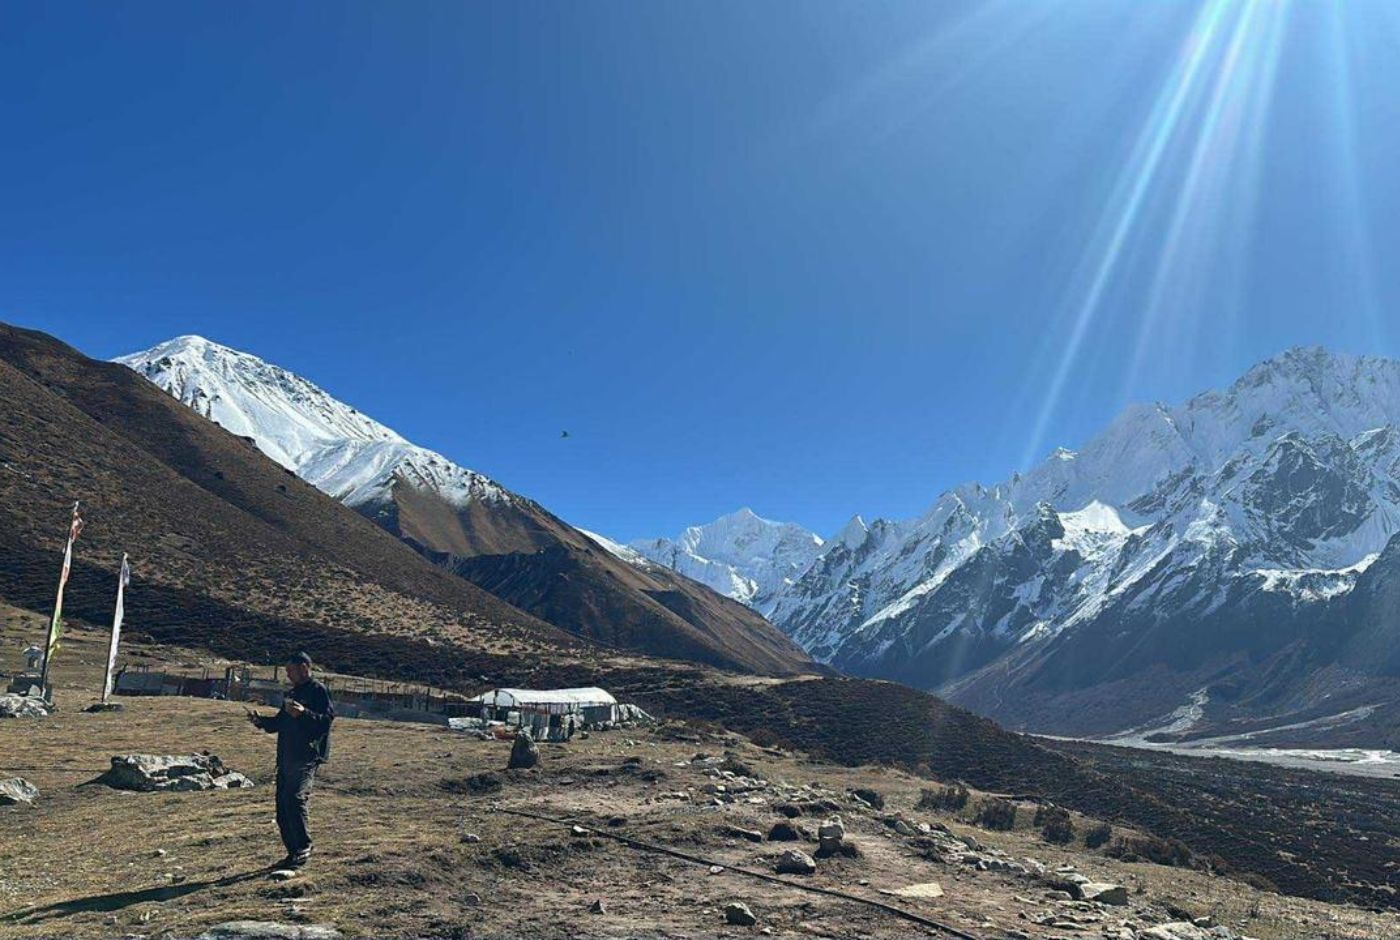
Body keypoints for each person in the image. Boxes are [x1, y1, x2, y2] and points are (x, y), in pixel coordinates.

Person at [246, 651, 334, 869]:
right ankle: (293, 852)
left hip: (305, 756)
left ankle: (304, 846)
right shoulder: (292, 692)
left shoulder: (317, 690)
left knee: (295, 799)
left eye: (291, 671)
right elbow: (279, 723)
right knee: (283, 806)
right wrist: (260, 722)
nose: (289, 675)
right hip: (286, 756)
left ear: (305, 667)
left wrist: (303, 713)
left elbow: (325, 721)